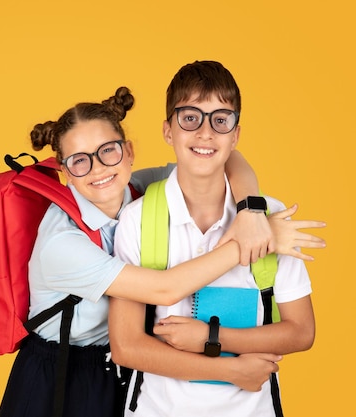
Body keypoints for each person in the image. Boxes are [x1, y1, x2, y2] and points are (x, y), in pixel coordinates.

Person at [0, 86, 325, 417]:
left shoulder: (136, 186)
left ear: (128, 151)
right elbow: (164, 290)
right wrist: (260, 238)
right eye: (80, 161)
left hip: (119, 370)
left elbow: (223, 156)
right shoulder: (62, 242)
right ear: (65, 171)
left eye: (107, 151)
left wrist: (252, 212)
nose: (98, 169)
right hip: (62, 372)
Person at [109, 60, 318, 417]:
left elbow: (301, 331)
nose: (206, 133)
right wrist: (226, 365)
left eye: (221, 120)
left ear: (235, 136)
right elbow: (127, 346)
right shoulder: (138, 219)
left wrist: (212, 338)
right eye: (190, 117)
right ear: (167, 131)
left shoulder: (272, 217)